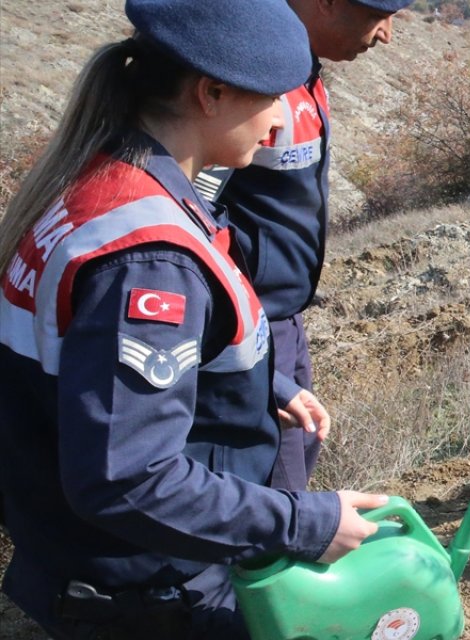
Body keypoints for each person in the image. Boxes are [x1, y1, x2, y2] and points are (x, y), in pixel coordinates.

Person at [0, 1, 386, 637]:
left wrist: (261, 382)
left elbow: (90, 367)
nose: (275, 126)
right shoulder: (148, 260)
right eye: (270, 101)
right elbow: (129, 479)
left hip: (92, 562)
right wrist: (304, 522)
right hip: (150, 591)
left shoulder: (106, 182)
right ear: (211, 93)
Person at [208, 0, 413, 492]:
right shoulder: (245, 83)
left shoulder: (303, 70)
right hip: (241, 320)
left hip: (284, 315)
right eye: (376, 15)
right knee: (272, 484)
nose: (386, 35)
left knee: (298, 451)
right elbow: (190, 213)